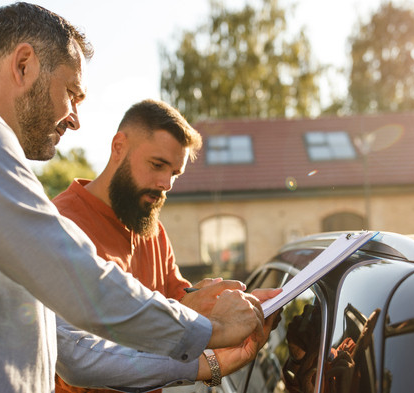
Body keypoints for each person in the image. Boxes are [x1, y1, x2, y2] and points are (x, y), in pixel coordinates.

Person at [0, 3, 265, 392]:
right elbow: (75, 276)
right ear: (24, 65)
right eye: (72, 93)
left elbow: (73, 351)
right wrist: (210, 329)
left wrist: (203, 365)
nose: (75, 117)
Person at [51, 99, 281, 393]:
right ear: (118, 146)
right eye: (157, 165)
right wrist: (194, 317)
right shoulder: (61, 224)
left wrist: (241, 308)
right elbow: (79, 355)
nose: (166, 184)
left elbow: (180, 300)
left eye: (174, 173)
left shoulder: (153, 230)